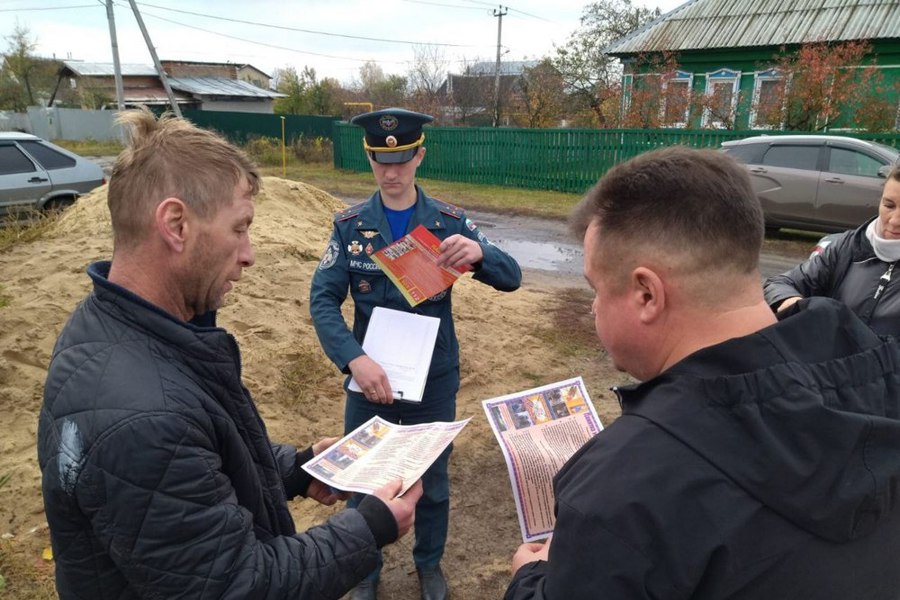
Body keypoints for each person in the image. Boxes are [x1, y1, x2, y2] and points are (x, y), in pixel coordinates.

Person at [37, 108, 422, 600]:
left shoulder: (122, 326)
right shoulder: (142, 417)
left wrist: (298, 468)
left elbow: (197, 465)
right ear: (176, 224)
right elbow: (241, 585)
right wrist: (369, 527)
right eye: (239, 228)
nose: (249, 253)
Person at [505, 146, 900, 599]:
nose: (594, 307)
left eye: (596, 289)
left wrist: (529, 579)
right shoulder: (882, 379)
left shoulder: (622, 491)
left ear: (647, 294)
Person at [310, 107, 522, 600]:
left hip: (432, 379)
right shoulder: (350, 226)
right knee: (363, 478)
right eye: (380, 161)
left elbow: (513, 277)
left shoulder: (448, 222)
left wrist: (479, 254)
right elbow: (323, 299)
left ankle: (429, 564)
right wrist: (352, 359)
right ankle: (363, 569)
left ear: (419, 156)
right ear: (369, 159)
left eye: (402, 159)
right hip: (372, 380)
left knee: (433, 480)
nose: (391, 171)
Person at [764, 164, 900, 335]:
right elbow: (779, 284)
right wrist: (795, 306)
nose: (894, 221)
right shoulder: (848, 246)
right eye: (889, 205)